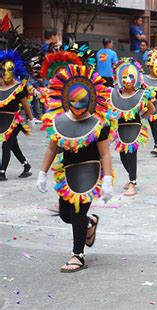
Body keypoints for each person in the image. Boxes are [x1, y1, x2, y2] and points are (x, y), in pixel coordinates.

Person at [37, 64, 115, 272]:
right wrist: (42, 173)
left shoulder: (99, 124)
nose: (78, 106)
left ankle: (77, 255)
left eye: (82, 102)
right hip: (68, 172)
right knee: (66, 215)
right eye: (74, 102)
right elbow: (52, 149)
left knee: (78, 211)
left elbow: (105, 153)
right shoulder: (59, 121)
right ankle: (90, 224)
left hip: (90, 172)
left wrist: (107, 179)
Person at [110, 58, 155, 196]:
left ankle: (132, 182)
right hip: (121, 129)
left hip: (134, 129)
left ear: (136, 78)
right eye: (124, 77)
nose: (128, 80)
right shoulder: (116, 95)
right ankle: (131, 177)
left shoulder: (141, 94)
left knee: (131, 155)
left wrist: (142, 116)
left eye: (131, 76)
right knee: (123, 156)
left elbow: (152, 109)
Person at [0, 50, 35, 181]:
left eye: (9, 70)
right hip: (2, 120)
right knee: (13, 145)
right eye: (4, 70)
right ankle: (26, 165)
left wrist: (31, 119)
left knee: (6, 145)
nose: (6, 73)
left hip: (14, 121)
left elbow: (26, 105)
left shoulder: (19, 87)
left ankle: (2, 172)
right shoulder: (1, 87)